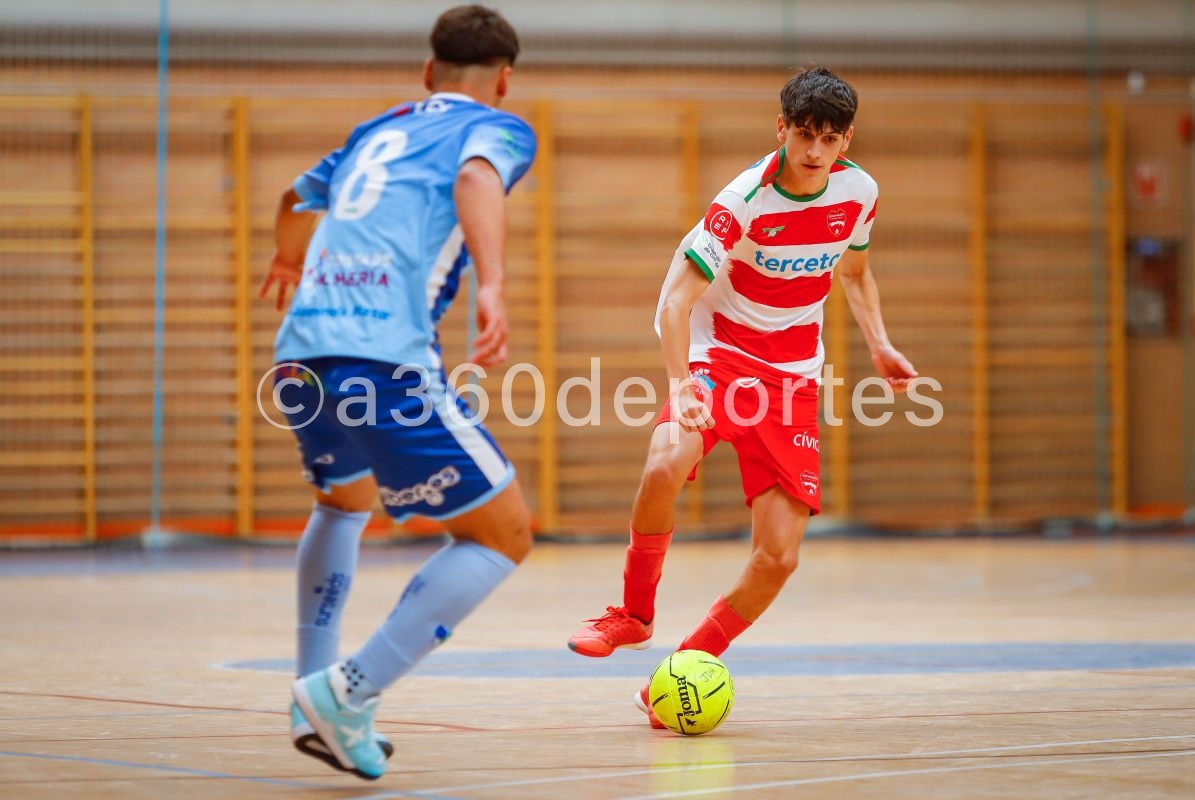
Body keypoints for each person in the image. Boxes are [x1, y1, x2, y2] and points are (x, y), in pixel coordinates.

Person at [566, 66, 917, 727]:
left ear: (847, 140)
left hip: (792, 379)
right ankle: (633, 615)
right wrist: (684, 384)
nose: (815, 151)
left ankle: (680, 668)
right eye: (804, 134)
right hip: (720, 359)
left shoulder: (860, 192)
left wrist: (879, 343)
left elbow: (857, 273)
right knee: (663, 463)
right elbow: (675, 302)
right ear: (781, 128)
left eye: (830, 138)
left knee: (778, 558)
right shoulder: (743, 201)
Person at [257, 5, 536, 779]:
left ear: (427, 71)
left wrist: (287, 261)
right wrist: (494, 285)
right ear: (503, 81)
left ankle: (308, 689)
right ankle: (347, 691)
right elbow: (478, 176)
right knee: (503, 533)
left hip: (300, 359)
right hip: (381, 361)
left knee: (342, 503)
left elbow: (294, 199)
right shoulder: (497, 128)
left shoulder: (375, 129)